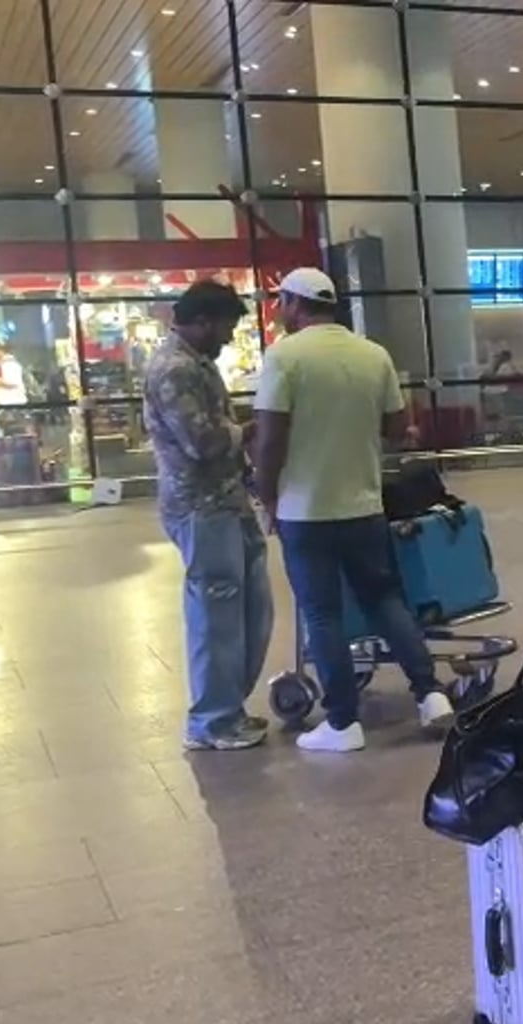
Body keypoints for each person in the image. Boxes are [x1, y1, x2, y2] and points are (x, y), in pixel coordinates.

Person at [252, 268, 455, 753]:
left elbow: (270, 436)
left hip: (306, 511)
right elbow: (396, 427)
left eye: (282, 303)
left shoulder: (284, 356)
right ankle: (430, 695)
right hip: (364, 505)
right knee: (385, 601)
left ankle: (343, 722)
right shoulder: (373, 354)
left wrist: (266, 494)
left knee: (322, 614)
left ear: (294, 303)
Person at [140, 281, 273, 751]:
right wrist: (251, 431)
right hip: (200, 507)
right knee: (217, 616)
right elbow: (202, 441)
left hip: (227, 500)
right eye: (226, 327)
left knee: (252, 608)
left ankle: (228, 708)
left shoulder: (198, 364)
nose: (229, 337)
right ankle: (212, 722)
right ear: (202, 322)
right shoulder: (174, 370)